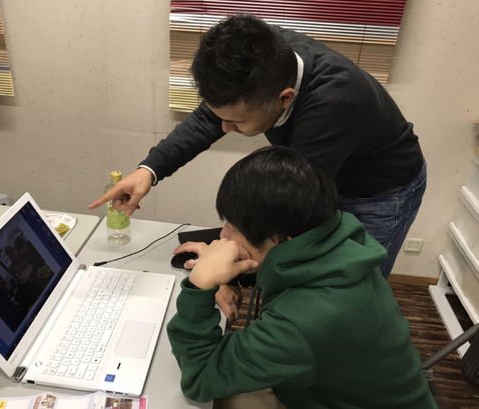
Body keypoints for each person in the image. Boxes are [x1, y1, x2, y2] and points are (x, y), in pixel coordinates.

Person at [89, 14, 426, 280]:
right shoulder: (264, 56)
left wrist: (222, 264)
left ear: (284, 99)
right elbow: (208, 119)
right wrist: (149, 171)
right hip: (322, 171)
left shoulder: (335, 101)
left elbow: (289, 206)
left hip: (380, 189)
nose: (225, 128)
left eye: (237, 122)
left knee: (350, 286)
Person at [166, 146, 436, 409]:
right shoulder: (338, 236)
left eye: (234, 227)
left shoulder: (300, 323)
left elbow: (200, 377)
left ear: (281, 238)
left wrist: (200, 285)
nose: (223, 235)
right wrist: (227, 271)